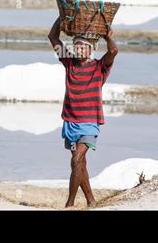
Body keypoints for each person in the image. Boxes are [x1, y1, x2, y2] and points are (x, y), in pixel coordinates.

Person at [48, 17, 118, 208]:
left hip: (89, 122)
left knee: (76, 158)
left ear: (91, 50)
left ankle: (69, 203)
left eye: (83, 47)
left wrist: (107, 36)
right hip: (70, 122)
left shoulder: (99, 67)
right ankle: (91, 201)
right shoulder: (69, 63)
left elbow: (113, 51)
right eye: (76, 47)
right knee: (80, 163)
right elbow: (53, 37)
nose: (79, 50)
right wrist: (61, 18)